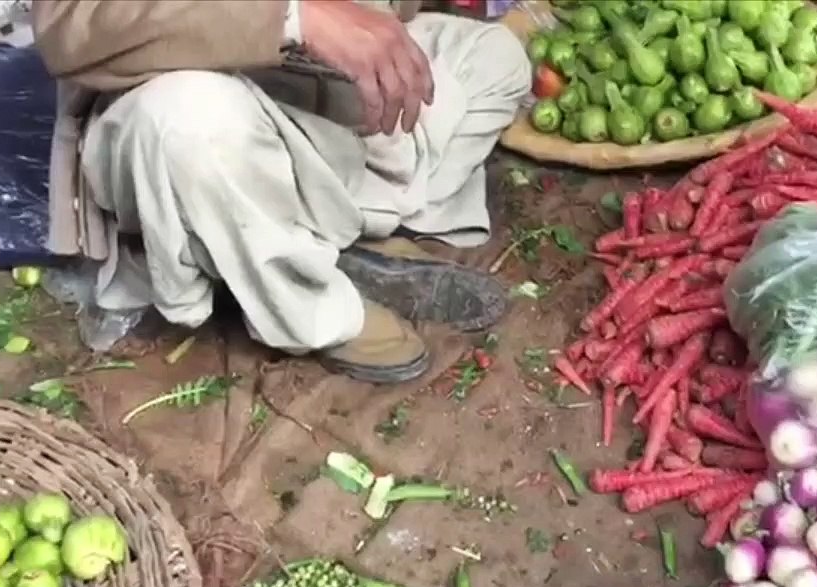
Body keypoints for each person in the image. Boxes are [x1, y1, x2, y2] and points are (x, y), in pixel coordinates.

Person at [30, 0, 532, 383]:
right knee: (190, 124)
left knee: (496, 58)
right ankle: (311, 310)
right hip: (189, 92)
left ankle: (301, 242)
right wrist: (294, 17)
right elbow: (71, 27)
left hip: (314, 91)